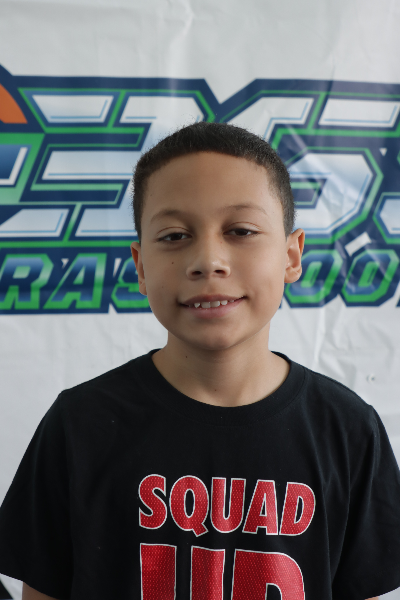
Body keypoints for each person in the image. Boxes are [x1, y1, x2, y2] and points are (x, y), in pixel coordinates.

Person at [0, 122, 399, 600]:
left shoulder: (349, 432)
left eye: (241, 231)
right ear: (140, 266)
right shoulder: (79, 424)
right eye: (174, 236)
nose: (208, 260)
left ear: (292, 256)